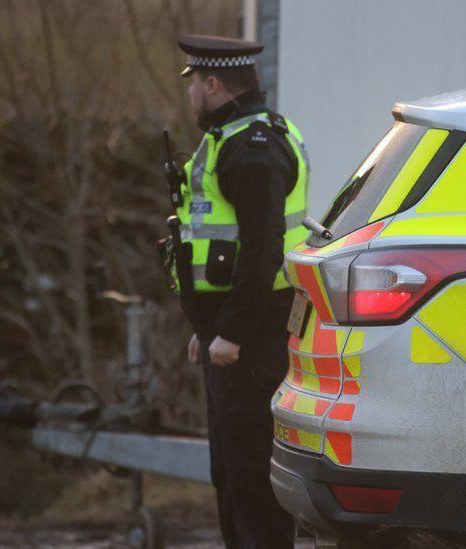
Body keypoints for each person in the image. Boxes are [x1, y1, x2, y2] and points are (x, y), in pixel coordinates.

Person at [170, 34, 309, 548]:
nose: (189, 97)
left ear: (213, 84)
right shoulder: (234, 137)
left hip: (251, 335)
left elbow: (262, 248)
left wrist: (230, 330)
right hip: (231, 331)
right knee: (230, 470)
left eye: (193, 85)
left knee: (251, 470)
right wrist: (205, 327)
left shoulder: (252, 148)